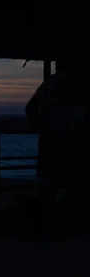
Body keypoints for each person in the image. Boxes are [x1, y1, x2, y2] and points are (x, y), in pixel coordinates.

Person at [25, 59, 85, 219]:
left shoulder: (49, 84)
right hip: (70, 140)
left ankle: (49, 219)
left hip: (53, 139)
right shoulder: (76, 85)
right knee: (74, 182)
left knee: (51, 184)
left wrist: (42, 130)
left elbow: (30, 108)